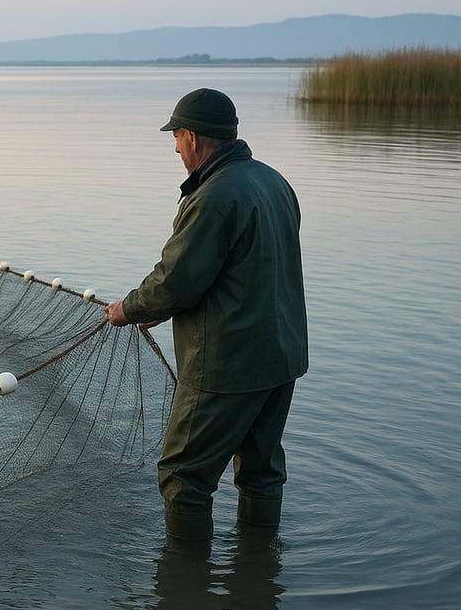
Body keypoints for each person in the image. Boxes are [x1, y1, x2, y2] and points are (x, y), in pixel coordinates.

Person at [105, 88, 308, 542]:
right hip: (281, 358)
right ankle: (257, 572)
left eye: (176, 137)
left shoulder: (214, 196)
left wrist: (128, 309)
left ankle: (183, 584)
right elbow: (243, 267)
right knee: (262, 471)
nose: (175, 148)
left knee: (183, 476)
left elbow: (176, 280)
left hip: (227, 364)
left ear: (193, 137)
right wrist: (168, 307)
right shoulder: (274, 181)